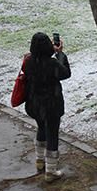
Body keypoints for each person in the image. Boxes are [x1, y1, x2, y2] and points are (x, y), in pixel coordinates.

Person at [24, 32, 71, 183]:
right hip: (51, 105)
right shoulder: (52, 64)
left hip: (34, 104)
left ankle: (39, 161)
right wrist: (60, 54)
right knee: (52, 134)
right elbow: (65, 73)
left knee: (41, 129)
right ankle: (51, 171)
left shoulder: (28, 61)